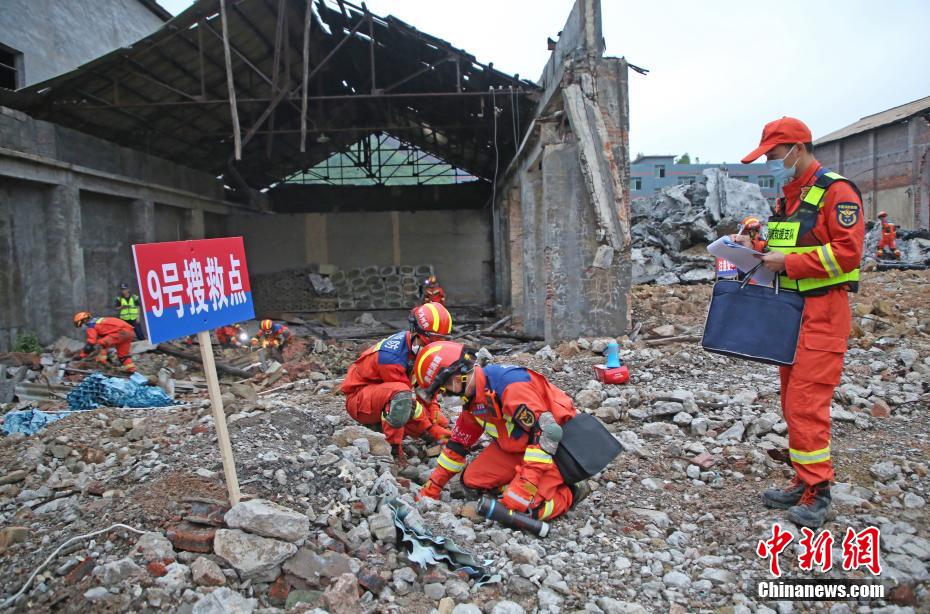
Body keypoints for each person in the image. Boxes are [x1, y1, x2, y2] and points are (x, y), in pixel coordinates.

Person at [734, 117, 864, 528]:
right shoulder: (790, 197)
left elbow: (847, 254)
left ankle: (819, 490)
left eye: (773, 155)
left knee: (807, 404)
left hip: (823, 312)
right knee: (792, 401)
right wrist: (752, 247)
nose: (771, 163)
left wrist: (787, 261)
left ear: (797, 148)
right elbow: (783, 247)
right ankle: (803, 477)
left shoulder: (836, 192)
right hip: (793, 312)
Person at [415, 341, 590, 521]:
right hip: (520, 447)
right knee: (472, 482)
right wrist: (432, 488)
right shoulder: (473, 398)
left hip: (556, 448)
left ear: (457, 376)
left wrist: (525, 487)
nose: (445, 398)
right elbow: (458, 445)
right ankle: (528, 483)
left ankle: (571, 492)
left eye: (444, 391)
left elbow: (548, 433)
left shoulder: (510, 387)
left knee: (520, 508)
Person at [340, 304, 455, 457]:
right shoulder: (391, 358)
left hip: (381, 393)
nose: (433, 347)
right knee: (401, 397)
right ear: (416, 333)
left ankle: (387, 426)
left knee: (441, 421)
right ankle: (393, 450)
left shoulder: (414, 345)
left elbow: (424, 384)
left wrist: (433, 412)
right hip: (359, 400)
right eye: (430, 342)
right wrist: (430, 429)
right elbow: (407, 399)